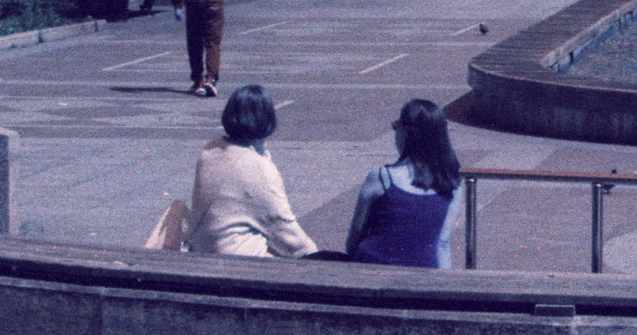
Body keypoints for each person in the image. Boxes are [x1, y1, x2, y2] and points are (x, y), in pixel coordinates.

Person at [183, 84, 317, 257]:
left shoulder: (211, 149)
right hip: (238, 262)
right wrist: (317, 257)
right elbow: (285, 231)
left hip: (203, 250)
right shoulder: (257, 168)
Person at [345, 99, 463, 267]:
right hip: (422, 275)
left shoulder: (381, 177)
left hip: (373, 270)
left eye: (396, 126)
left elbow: (353, 241)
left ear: (406, 133)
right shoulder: (453, 184)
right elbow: (442, 244)